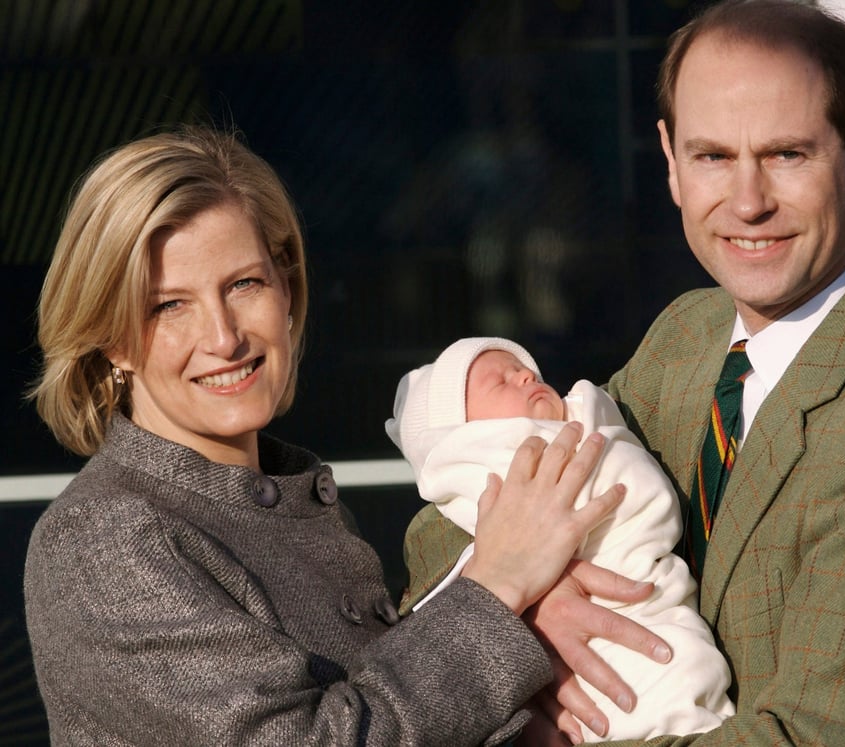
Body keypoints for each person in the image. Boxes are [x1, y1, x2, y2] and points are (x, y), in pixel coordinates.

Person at [403, 1, 845, 745]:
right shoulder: (688, 335)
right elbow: (458, 498)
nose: (749, 202)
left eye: (786, 154)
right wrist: (526, 602)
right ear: (668, 160)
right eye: (713, 157)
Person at [22, 126, 634, 746]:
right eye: (168, 306)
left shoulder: (286, 497)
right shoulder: (103, 538)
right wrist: (499, 587)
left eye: (244, 284)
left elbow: (389, 703)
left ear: (285, 289)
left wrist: (528, 646)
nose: (225, 336)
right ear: (114, 340)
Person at [386, 336, 735, 741]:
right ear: (460, 435)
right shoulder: (485, 467)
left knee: (683, 668)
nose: (524, 376)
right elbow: (447, 547)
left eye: (528, 372)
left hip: (651, 601)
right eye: (500, 382)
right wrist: (517, 604)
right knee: (658, 684)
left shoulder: (594, 417)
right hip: (601, 660)